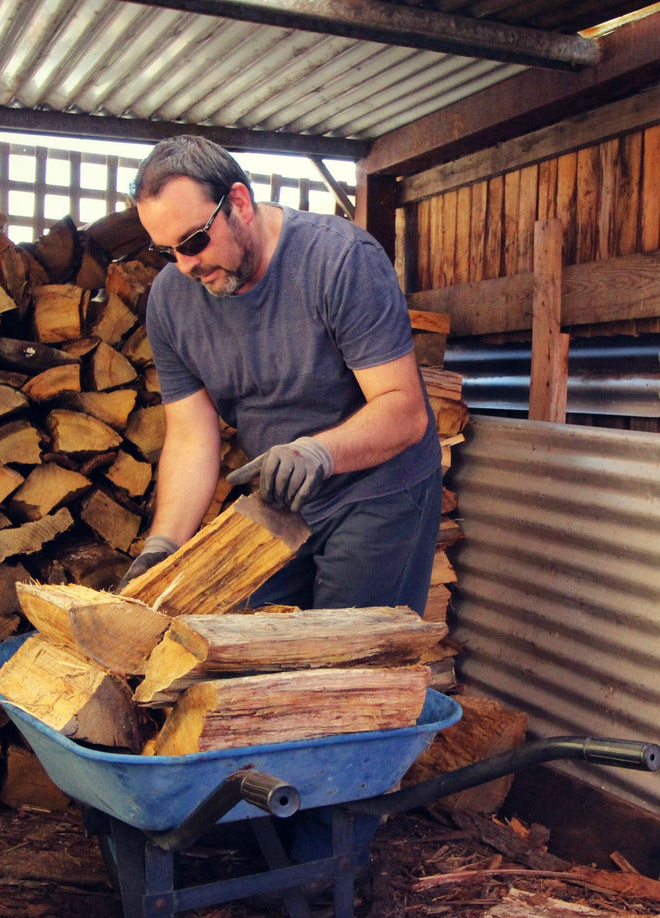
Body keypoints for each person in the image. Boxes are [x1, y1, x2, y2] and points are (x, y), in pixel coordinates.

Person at [120, 135, 443, 878]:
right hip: (277, 496)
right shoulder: (174, 298)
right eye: (164, 251)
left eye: (195, 241)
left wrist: (318, 452)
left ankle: (325, 866)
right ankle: (259, 837)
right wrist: (165, 543)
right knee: (249, 662)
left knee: (346, 676)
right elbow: (192, 433)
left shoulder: (340, 261)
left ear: (239, 202)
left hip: (376, 485)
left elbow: (402, 411)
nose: (185, 265)